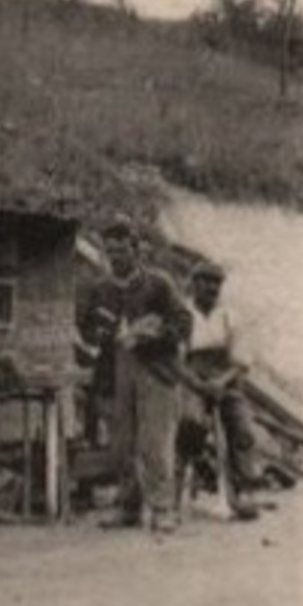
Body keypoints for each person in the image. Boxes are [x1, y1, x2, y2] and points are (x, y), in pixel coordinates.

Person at [81, 216, 191, 533]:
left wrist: (152, 334)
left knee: (155, 441)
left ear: (136, 251)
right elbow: (87, 327)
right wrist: (98, 334)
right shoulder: (100, 288)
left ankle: (162, 508)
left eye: (122, 251)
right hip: (115, 366)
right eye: (110, 251)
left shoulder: (159, 284)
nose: (116, 258)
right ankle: (128, 508)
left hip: (155, 366)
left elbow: (183, 323)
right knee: (121, 442)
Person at [179, 260, 263, 509]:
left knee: (242, 426)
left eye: (216, 284)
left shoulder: (230, 315)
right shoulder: (182, 314)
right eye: (205, 282)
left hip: (225, 378)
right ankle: (182, 482)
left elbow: (242, 360)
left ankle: (245, 490)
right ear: (193, 284)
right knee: (189, 423)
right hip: (192, 378)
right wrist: (197, 384)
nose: (211, 288)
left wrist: (220, 382)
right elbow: (176, 358)